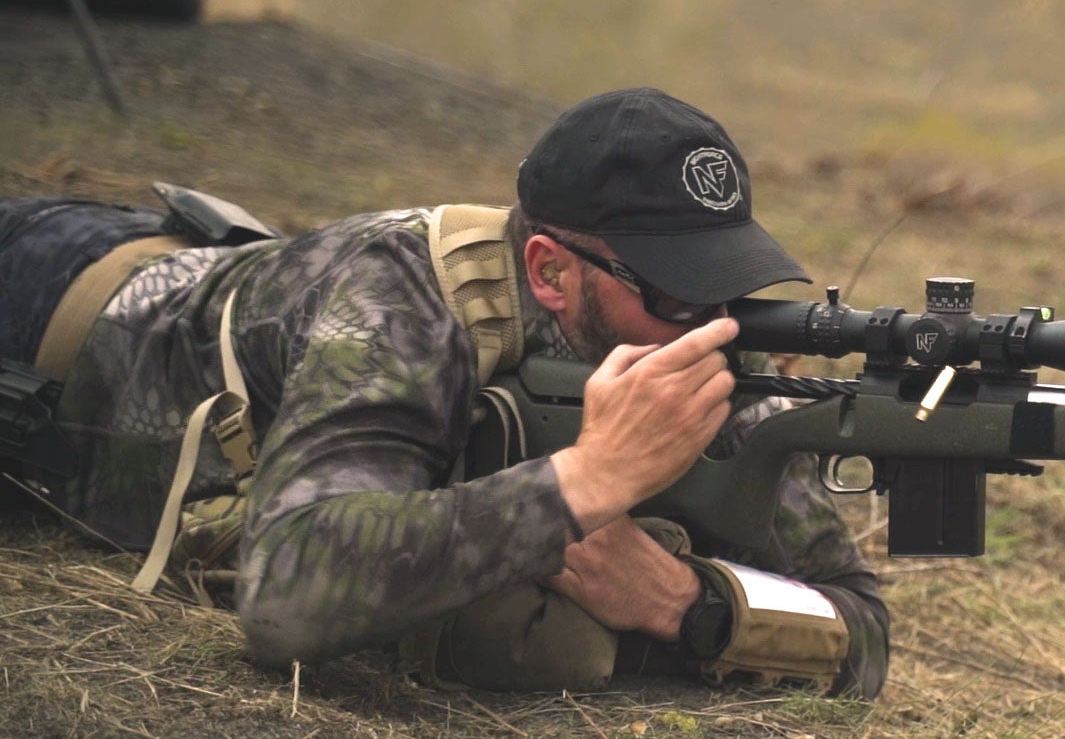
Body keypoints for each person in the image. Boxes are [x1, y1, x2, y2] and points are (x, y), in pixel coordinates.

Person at [0, 88, 888, 698]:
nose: (709, 326)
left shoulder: (707, 349)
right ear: (548, 271)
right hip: (53, 299)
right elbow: (288, 596)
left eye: (729, 286)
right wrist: (583, 482)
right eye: (671, 291)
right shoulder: (400, 304)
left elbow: (862, 628)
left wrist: (684, 603)